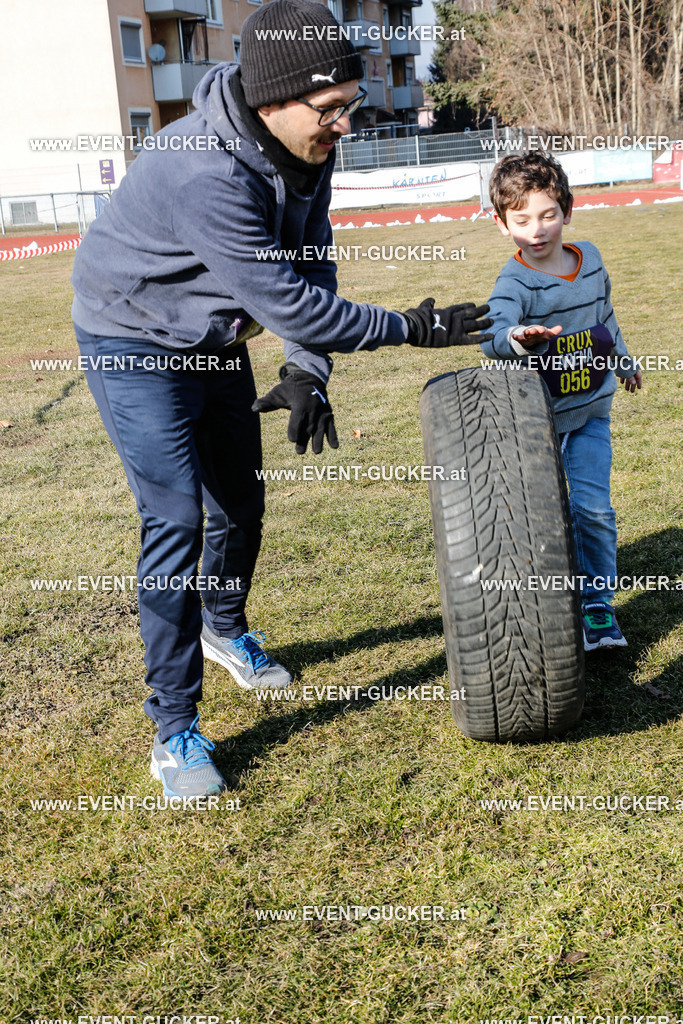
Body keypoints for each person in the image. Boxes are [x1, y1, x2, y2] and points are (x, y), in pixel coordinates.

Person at [70, 0, 493, 798]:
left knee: (241, 502)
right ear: (274, 101)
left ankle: (224, 630)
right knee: (174, 521)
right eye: (331, 111)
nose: (344, 127)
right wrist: (413, 328)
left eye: (350, 108)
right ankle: (174, 732)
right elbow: (293, 306)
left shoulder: (305, 144)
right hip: (131, 340)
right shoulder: (204, 169)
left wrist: (309, 372)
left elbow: (311, 266)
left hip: (213, 337)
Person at [482, 151, 642, 652]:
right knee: (544, 516)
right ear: (501, 222)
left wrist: (623, 360)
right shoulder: (515, 282)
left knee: (592, 507)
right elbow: (492, 333)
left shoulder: (590, 260)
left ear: (567, 212)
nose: (537, 229)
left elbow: (604, 318)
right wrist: (517, 336)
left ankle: (597, 603)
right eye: (522, 218)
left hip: (592, 412)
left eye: (548, 214)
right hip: (537, 423)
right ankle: (548, 600)